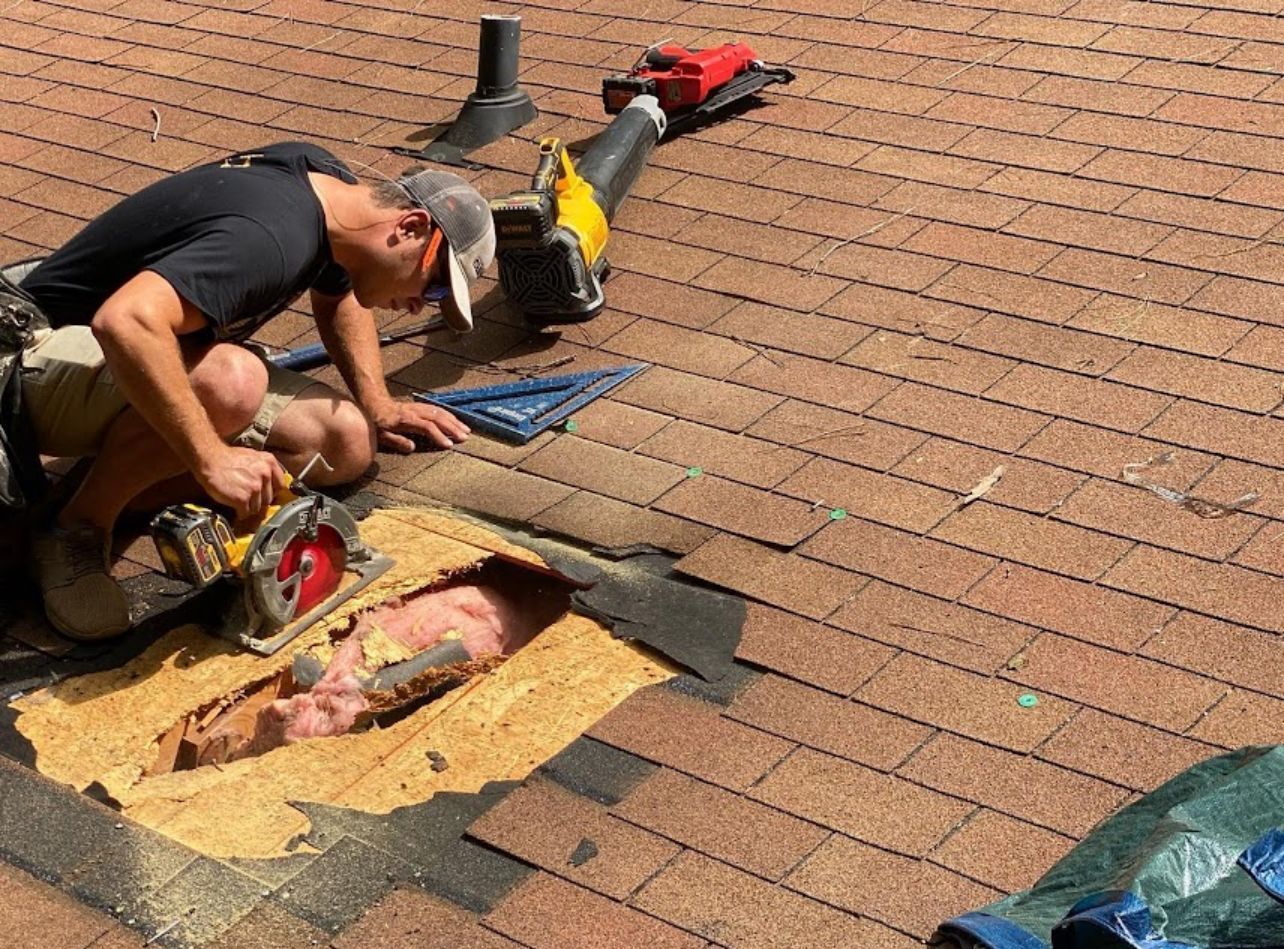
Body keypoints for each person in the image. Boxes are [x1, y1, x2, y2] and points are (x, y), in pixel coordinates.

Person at [9, 140, 496, 641]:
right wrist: (210, 459)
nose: (423, 305)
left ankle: (121, 480)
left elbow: (341, 294)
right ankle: (73, 528)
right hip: (26, 363)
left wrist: (378, 404)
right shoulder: (270, 238)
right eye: (434, 285)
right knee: (231, 382)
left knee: (342, 441)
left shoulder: (332, 195)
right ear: (410, 227)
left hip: (116, 356)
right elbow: (126, 322)